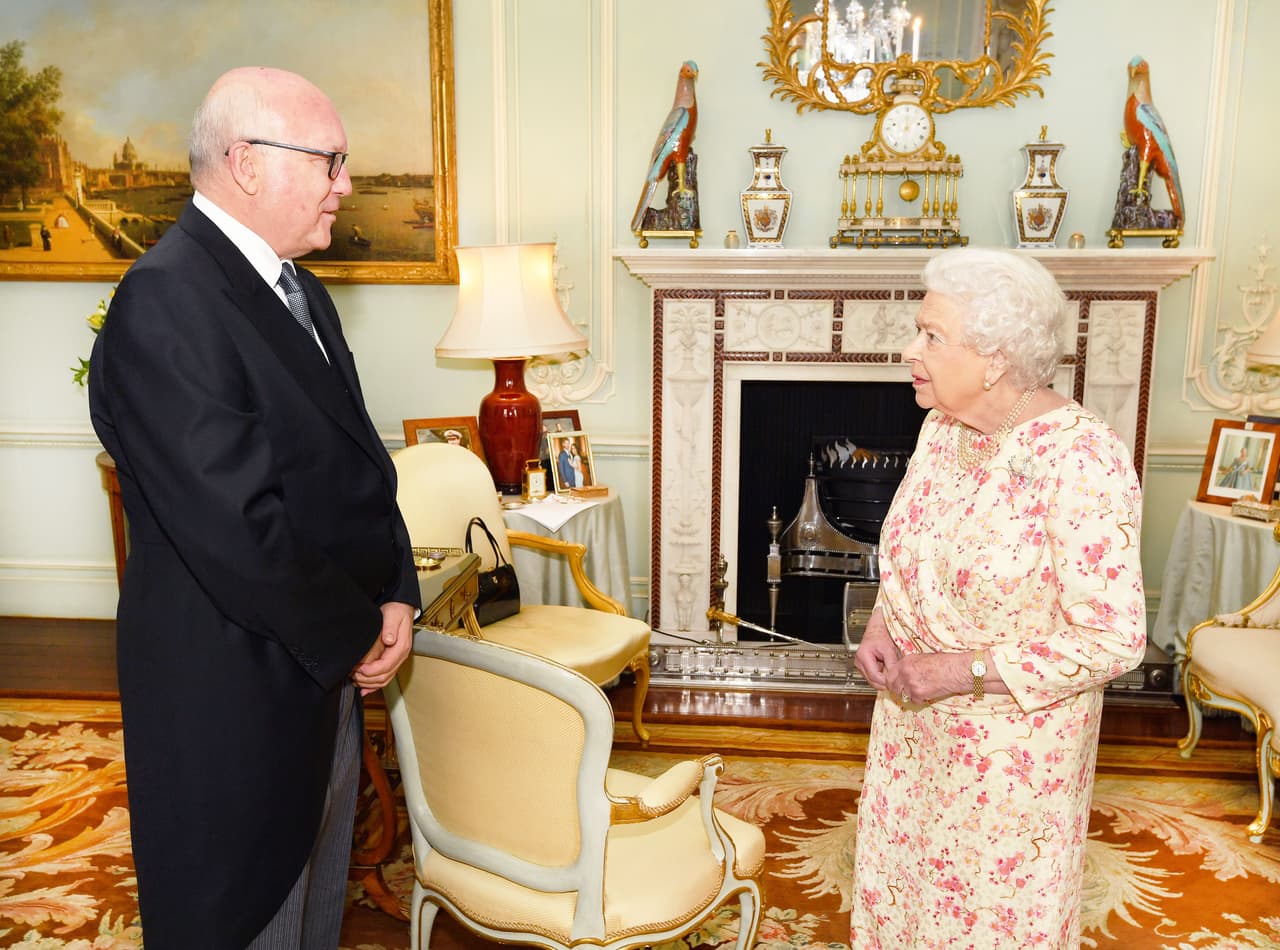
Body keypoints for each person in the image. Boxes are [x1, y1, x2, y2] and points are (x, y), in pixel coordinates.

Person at [88, 67, 420, 949]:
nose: (346, 184)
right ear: (245, 163)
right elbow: (239, 529)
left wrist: (395, 593)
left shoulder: (295, 286)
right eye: (331, 161)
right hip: (236, 693)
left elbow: (358, 464)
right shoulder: (168, 298)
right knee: (247, 915)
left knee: (313, 912)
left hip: (321, 672)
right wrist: (358, 628)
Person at [851, 248, 1146, 948]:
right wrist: (885, 624)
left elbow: (1114, 639)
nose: (908, 350)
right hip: (911, 731)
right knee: (905, 895)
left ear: (995, 358)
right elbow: (916, 548)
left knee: (988, 920)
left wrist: (957, 671)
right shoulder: (942, 429)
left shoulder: (1082, 460)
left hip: (1010, 762)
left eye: (931, 335)